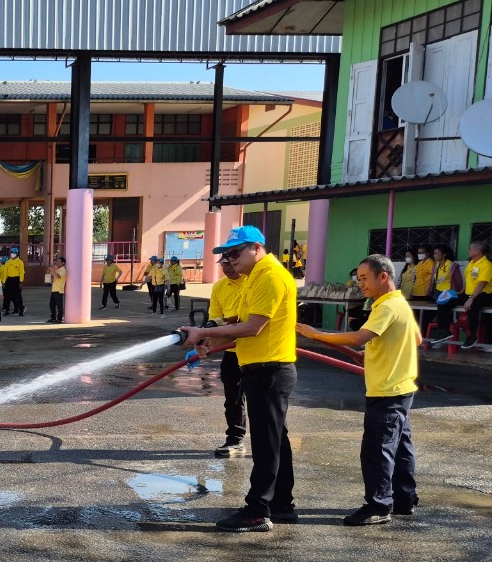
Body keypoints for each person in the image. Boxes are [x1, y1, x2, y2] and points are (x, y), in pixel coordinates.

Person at [181, 225, 298, 532]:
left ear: (257, 248)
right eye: (227, 255)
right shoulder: (253, 279)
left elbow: (253, 327)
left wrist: (203, 332)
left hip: (269, 370)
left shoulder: (270, 277)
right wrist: (208, 340)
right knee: (275, 440)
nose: (230, 259)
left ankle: (258, 510)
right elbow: (236, 323)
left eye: (235, 253)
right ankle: (282, 504)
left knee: (266, 444)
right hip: (261, 368)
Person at [297, 255, 420, 525]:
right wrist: (374, 352)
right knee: (400, 447)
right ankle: (404, 499)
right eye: (358, 279)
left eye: (364, 278)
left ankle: (378, 505)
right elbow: (416, 338)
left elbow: (358, 337)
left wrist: (314, 333)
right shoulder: (399, 303)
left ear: (383, 277)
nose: (360, 284)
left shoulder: (387, 306)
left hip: (387, 390)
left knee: (377, 450)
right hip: (401, 387)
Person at [206, 253, 247, 458]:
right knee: (233, 399)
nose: (228, 267)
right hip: (232, 352)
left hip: (258, 352)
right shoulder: (219, 287)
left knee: (264, 401)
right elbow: (216, 319)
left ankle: (270, 444)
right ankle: (235, 439)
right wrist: (207, 339)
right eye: (224, 264)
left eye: (231, 263)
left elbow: (244, 320)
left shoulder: (252, 282)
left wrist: (223, 325)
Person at [455, 240, 491, 350]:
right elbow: (469, 280)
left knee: (472, 305)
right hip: (469, 294)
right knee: (447, 300)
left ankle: (472, 335)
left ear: (478, 251)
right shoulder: (472, 263)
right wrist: (461, 291)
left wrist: (471, 298)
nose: (468, 251)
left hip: (484, 294)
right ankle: (443, 330)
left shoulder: (486, 264)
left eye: (471, 249)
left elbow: (482, 283)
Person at [428, 245, 463, 346]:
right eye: (434, 253)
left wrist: (456, 293)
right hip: (438, 294)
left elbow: (458, 282)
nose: (434, 255)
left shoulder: (452, 266)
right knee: (436, 313)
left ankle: (444, 332)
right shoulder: (436, 265)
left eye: (436, 253)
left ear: (444, 255)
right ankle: (440, 333)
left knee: (443, 307)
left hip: (450, 293)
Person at [3, 247, 26, 316]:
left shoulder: (20, 262)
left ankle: (20, 310)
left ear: (17, 254)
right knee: (7, 296)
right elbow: (5, 273)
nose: (12, 254)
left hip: (17, 280)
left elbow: (21, 272)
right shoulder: (8, 262)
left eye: (14, 253)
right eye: (12, 252)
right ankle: (7, 310)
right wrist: (3, 282)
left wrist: (21, 282)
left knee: (18, 296)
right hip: (9, 280)